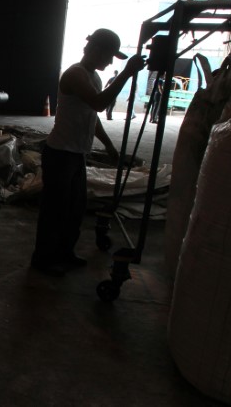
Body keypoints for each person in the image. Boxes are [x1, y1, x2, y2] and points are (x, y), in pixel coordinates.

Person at [31, 29, 146, 276]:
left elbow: (92, 116)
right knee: (55, 211)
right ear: (96, 50)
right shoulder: (74, 75)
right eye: (109, 56)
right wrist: (126, 73)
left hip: (76, 155)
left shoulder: (94, 78)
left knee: (75, 209)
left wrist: (108, 145)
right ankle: (42, 260)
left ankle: (64, 253)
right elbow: (99, 103)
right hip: (60, 154)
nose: (110, 62)